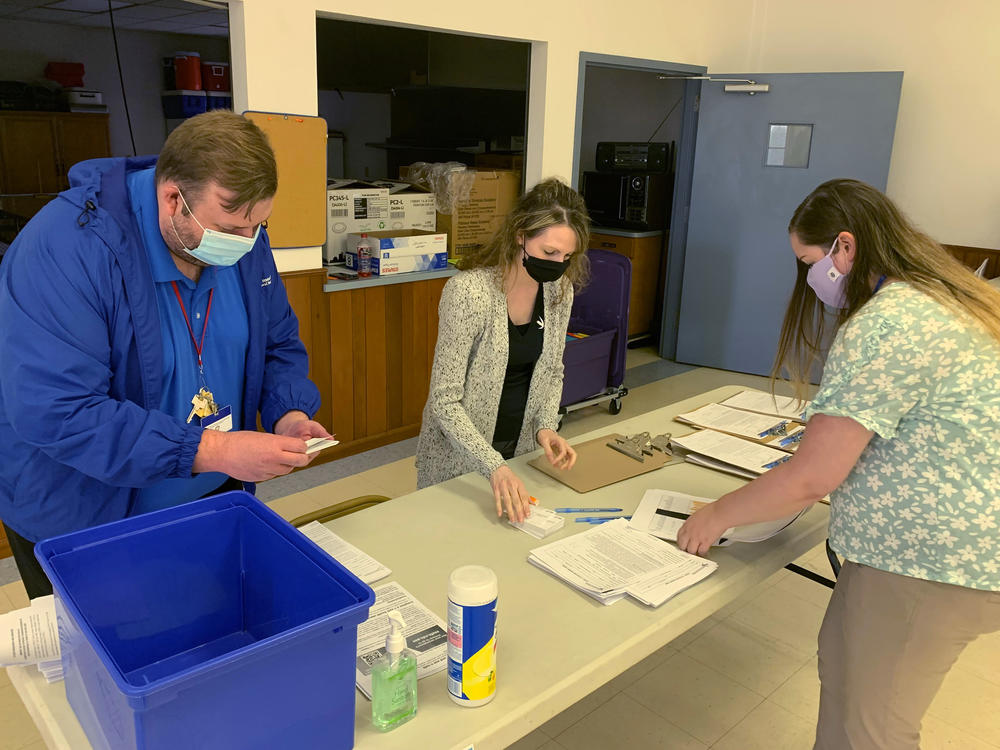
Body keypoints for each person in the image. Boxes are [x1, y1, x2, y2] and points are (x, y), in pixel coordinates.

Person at [677, 178, 1000, 749]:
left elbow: (813, 477)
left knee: (873, 727)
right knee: (843, 667)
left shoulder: (887, 322)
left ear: (844, 248)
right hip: (934, 548)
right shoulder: (943, 296)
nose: (809, 279)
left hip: (927, 560)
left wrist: (716, 515)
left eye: (809, 261)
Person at [0, 111, 332, 599]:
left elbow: (277, 342)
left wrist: (289, 413)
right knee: (111, 660)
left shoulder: (239, 237)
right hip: (90, 517)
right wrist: (214, 450)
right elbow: (59, 413)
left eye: (257, 226)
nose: (246, 244)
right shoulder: (66, 249)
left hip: (210, 495)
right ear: (172, 197)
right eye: (230, 228)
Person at [415, 178, 590, 522]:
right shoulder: (468, 293)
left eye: (567, 256)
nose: (557, 264)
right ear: (520, 235)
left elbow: (553, 369)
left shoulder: (559, 293)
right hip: (460, 463)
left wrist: (545, 427)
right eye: (549, 253)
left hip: (518, 457)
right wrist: (492, 464)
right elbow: (444, 401)